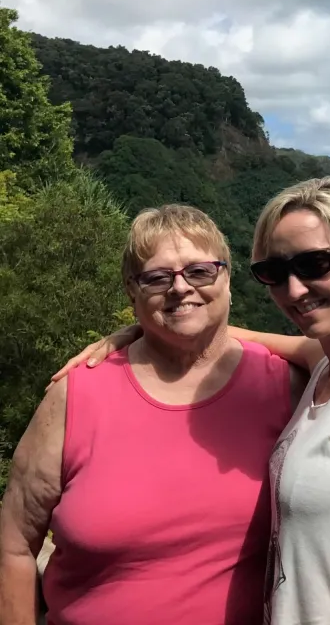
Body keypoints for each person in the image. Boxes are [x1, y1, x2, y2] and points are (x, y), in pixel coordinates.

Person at [46, 177, 330, 625]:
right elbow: (248, 337)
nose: (294, 290)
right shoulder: (328, 364)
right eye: (275, 273)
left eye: (316, 264)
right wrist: (148, 327)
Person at [0, 204, 304, 625]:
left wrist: (197, 329)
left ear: (227, 277)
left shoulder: (284, 386)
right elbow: (14, 543)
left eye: (199, 272)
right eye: (157, 278)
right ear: (132, 291)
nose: (180, 288)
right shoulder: (77, 394)